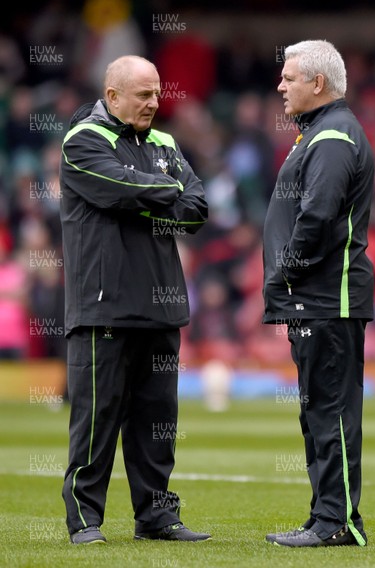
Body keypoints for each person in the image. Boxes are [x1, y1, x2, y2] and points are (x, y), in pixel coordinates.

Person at [59, 55, 210, 545]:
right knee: (97, 419)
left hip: (161, 305)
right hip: (104, 304)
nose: (153, 102)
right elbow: (117, 189)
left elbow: (197, 210)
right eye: (143, 94)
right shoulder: (82, 140)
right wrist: (166, 193)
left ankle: (157, 516)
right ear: (113, 96)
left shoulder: (165, 142)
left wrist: (148, 200)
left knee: (158, 422)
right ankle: (85, 521)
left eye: (157, 93)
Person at [262, 40, 374, 548]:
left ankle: (338, 524)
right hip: (318, 298)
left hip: (329, 298)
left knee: (328, 410)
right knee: (318, 411)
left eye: (288, 78)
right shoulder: (323, 133)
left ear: (318, 83)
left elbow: (318, 217)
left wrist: (286, 272)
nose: (280, 86)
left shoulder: (331, 136)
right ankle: (325, 514)